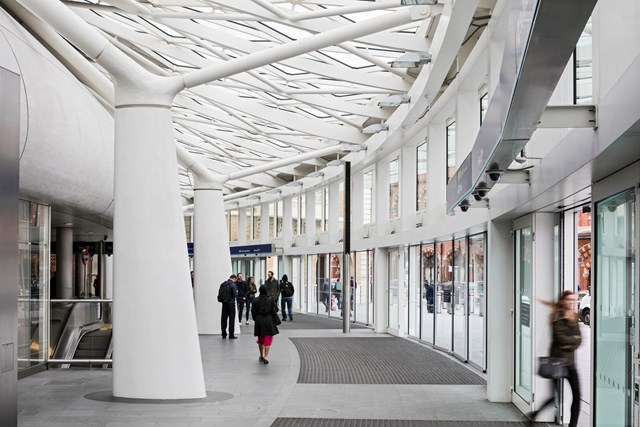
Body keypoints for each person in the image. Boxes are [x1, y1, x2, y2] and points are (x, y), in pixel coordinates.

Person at [529, 291, 582, 427]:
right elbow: (561, 339)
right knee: (554, 397)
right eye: (569, 299)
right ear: (563, 301)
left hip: (570, 363)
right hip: (558, 362)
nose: (572, 302)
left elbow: (579, 339)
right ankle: (536, 413)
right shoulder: (556, 317)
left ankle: (573, 425)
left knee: (577, 395)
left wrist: (571, 341)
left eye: (574, 300)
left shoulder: (575, 316)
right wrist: (573, 341)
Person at [251, 284, 279, 364]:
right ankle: (266, 356)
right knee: (268, 339)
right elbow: (276, 309)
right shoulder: (270, 299)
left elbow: (253, 311)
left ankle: (261, 354)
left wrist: (256, 318)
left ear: (259, 291)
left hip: (259, 320)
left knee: (261, 339)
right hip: (269, 320)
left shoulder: (255, 300)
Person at [220, 274, 238, 339]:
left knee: (224, 319)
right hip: (231, 304)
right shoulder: (233, 285)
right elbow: (235, 295)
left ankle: (223, 334)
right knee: (231, 319)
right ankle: (231, 334)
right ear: (234, 278)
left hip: (224, 303)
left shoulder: (223, 284)